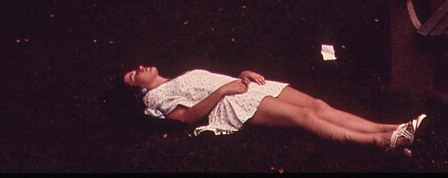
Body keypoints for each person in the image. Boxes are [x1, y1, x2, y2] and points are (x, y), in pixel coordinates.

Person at [120, 65, 427, 153]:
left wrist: (240, 74)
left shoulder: (173, 78)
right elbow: (187, 117)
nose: (139, 68)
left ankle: (390, 128)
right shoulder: (154, 99)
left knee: (320, 106)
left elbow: (207, 81)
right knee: (306, 118)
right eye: (134, 75)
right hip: (233, 103)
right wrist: (224, 90)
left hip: (244, 87)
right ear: (139, 90)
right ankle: (384, 141)